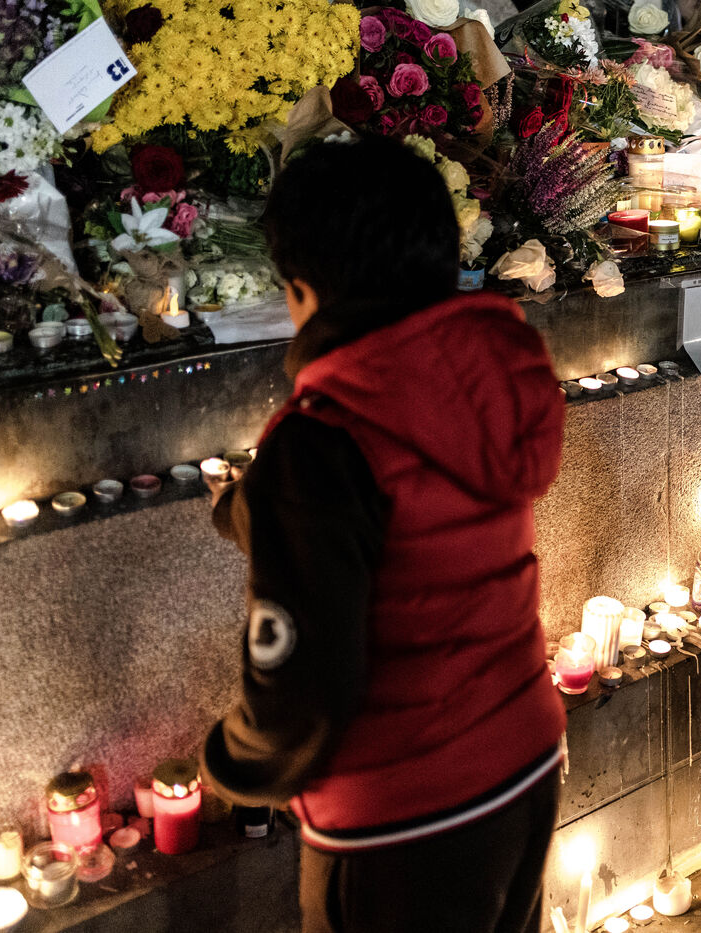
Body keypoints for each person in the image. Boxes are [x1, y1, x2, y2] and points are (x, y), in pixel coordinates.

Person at [200, 138, 567, 933]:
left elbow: (303, 689)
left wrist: (232, 760)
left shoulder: (322, 434)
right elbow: (414, 511)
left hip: (405, 815)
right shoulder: (488, 373)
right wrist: (260, 505)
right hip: (524, 757)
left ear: (302, 290)